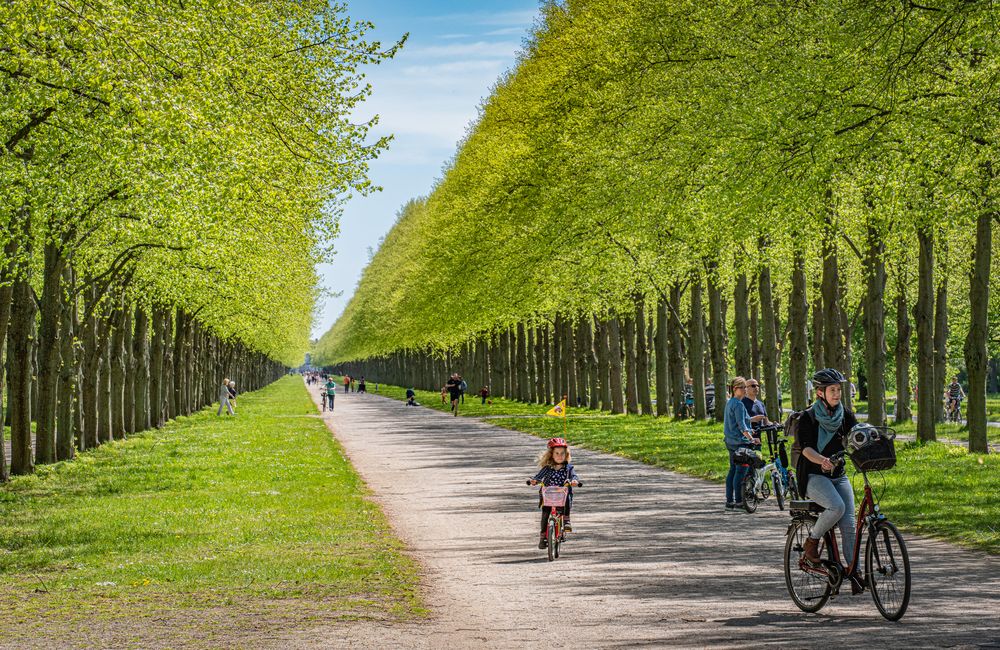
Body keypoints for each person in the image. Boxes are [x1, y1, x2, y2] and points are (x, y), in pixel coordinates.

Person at [797, 368, 862, 592]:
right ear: (819, 393)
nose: (837, 394)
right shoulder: (807, 418)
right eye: (832, 390)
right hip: (813, 475)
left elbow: (857, 438)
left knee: (849, 525)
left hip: (838, 475)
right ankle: (812, 542)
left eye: (838, 390)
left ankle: (855, 571)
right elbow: (805, 448)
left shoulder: (846, 415)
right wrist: (822, 460)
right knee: (837, 507)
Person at [529, 437, 580, 547]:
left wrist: (574, 481)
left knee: (567, 497)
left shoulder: (568, 468)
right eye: (557, 453)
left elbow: (574, 476)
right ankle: (543, 537)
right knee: (545, 513)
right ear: (551, 454)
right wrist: (534, 481)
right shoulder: (547, 468)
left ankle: (566, 520)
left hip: (562, 495)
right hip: (549, 495)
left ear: (566, 454)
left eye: (562, 453)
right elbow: (538, 476)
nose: (559, 456)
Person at [723, 376, 756, 511]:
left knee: (732, 470)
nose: (745, 390)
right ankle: (739, 502)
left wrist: (750, 430)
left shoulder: (730, 403)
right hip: (739, 443)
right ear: (735, 389)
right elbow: (741, 425)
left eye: (745, 388)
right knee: (740, 472)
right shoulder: (738, 404)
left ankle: (729, 501)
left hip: (730, 441)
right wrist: (751, 438)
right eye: (742, 388)